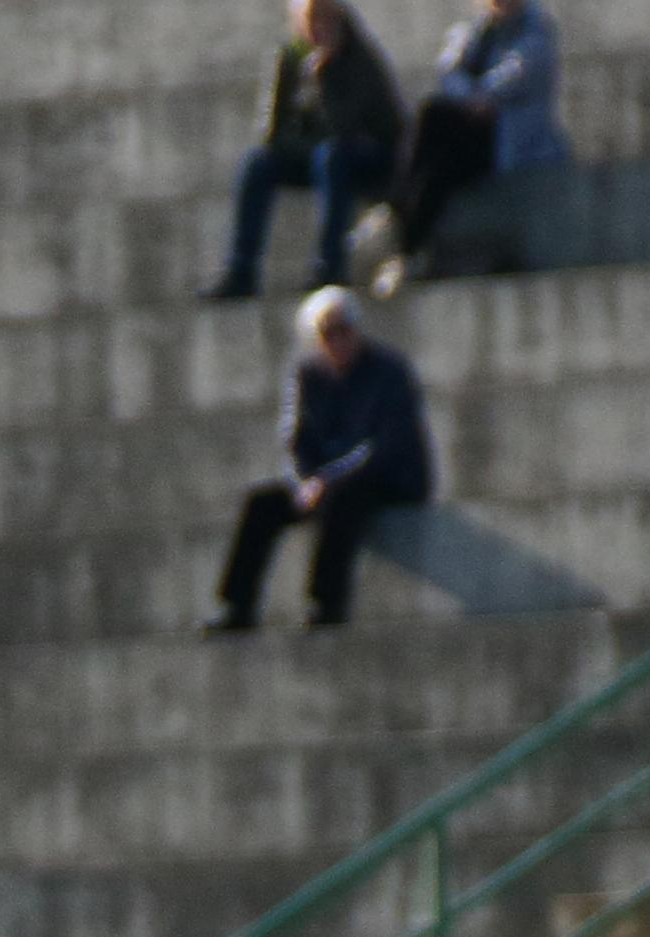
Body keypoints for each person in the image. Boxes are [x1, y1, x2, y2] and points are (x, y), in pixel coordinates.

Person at [216, 289, 437, 636]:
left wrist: (326, 481)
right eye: (327, 334)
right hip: (323, 481)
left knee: (343, 498)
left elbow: (385, 447)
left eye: (343, 330)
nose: (337, 341)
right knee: (261, 504)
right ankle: (237, 606)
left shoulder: (389, 370)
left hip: (387, 477)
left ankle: (326, 603)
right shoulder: (306, 374)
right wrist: (305, 481)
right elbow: (295, 439)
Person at [220, 0, 405, 298]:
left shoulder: (358, 58)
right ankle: (241, 271)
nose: (319, 29)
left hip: (366, 153)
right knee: (258, 163)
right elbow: (270, 132)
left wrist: (325, 77)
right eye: (312, 21)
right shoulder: (288, 57)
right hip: (314, 152)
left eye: (325, 20)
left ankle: (330, 265)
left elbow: (348, 127)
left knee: (330, 156)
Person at [386, 0, 565, 285]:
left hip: (506, 141)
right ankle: (407, 249)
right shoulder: (475, 30)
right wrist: (473, 100)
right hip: (470, 132)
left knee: (433, 117)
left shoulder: (536, 30)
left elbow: (517, 73)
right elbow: (448, 70)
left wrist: (478, 97)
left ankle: (395, 212)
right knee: (436, 169)